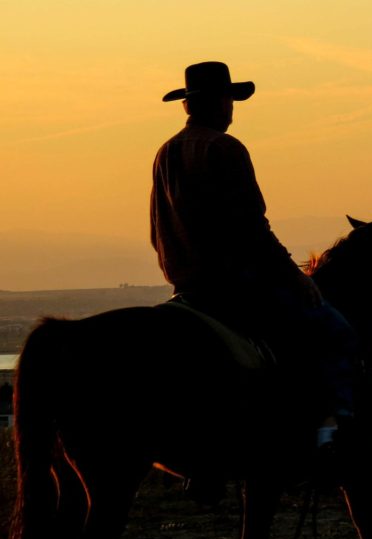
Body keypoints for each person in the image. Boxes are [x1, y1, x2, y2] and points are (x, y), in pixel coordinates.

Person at [151, 61, 356, 495]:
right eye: (229, 100)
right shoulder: (225, 149)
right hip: (237, 284)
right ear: (216, 103)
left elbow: (158, 227)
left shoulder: (166, 152)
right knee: (335, 333)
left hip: (187, 288)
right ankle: (329, 442)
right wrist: (292, 275)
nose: (232, 109)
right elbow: (252, 225)